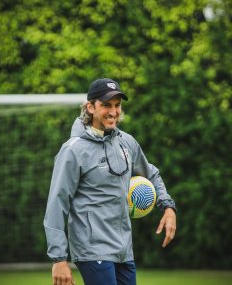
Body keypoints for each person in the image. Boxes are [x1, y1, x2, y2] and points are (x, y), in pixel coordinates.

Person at [44, 78, 176, 285]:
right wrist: (59, 259)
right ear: (90, 107)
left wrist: (168, 207)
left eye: (117, 105)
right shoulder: (73, 150)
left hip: (124, 250)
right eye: (106, 105)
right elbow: (57, 204)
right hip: (92, 249)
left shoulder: (127, 142)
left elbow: (150, 173)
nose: (113, 112)